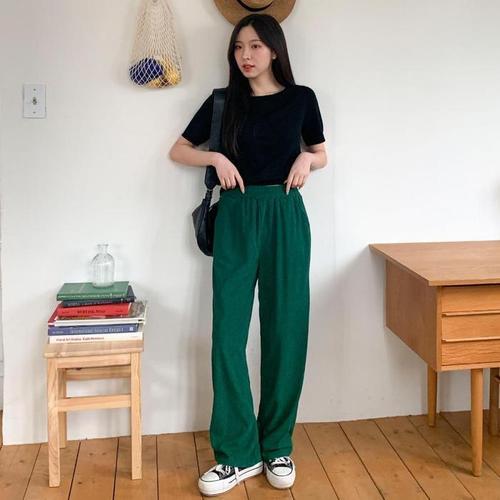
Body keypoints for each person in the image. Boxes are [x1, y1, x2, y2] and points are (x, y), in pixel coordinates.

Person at [169, 13, 327, 496]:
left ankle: (277, 444)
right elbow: (178, 150)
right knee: (228, 336)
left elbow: (321, 152)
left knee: (286, 332)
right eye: (239, 47)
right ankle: (238, 454)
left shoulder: (302, 99)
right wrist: (215, 156)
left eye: (255, 45)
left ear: (275, 50)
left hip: (284, 212)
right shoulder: (223, 102)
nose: (246, 55)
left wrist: (307, 158)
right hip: (236, 216)